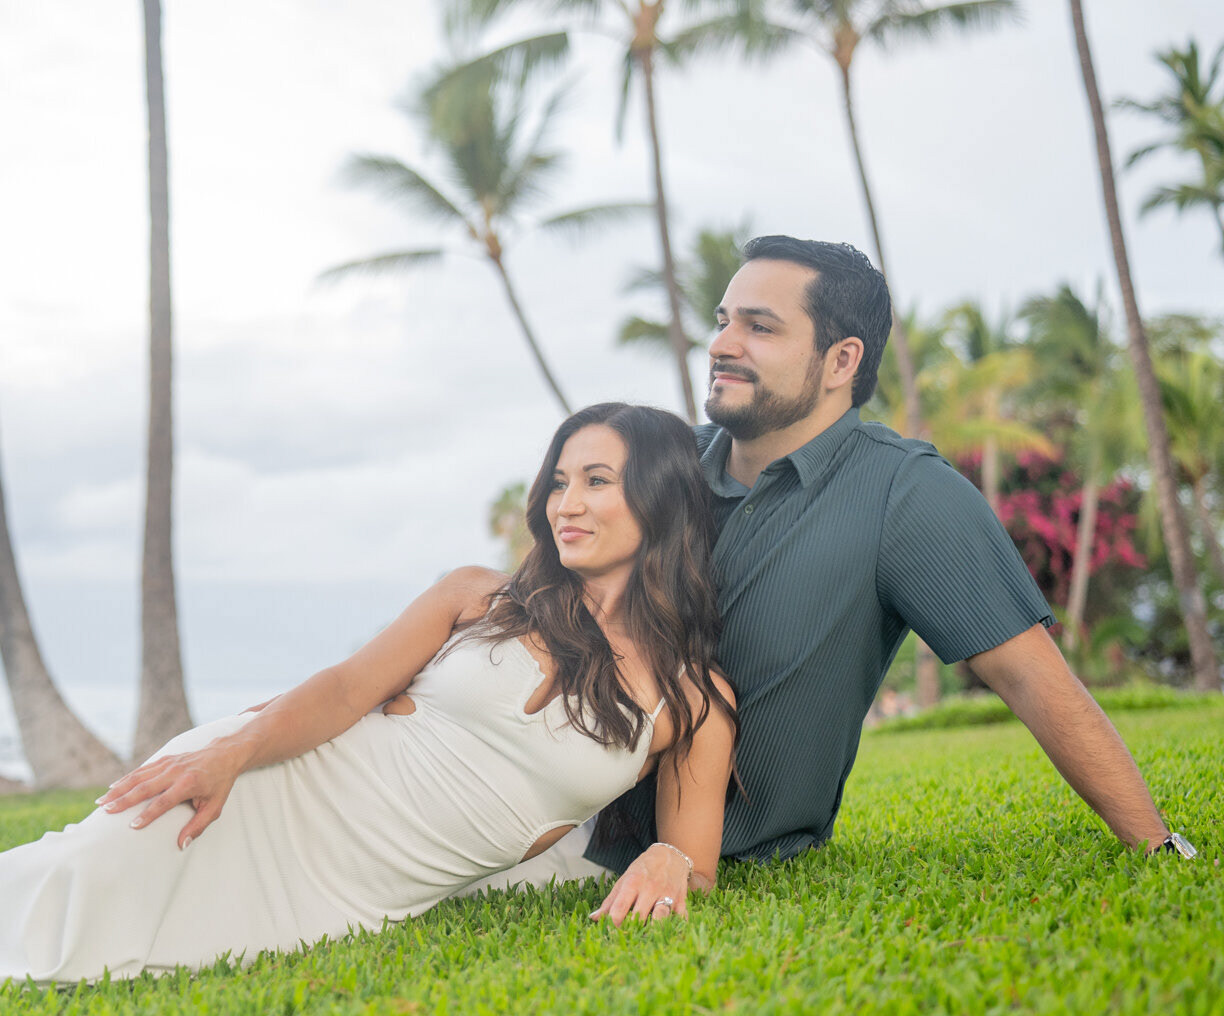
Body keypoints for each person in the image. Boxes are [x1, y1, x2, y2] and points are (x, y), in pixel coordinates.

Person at [0, 403, 739, 999]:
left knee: (153, 941)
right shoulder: (480, 594)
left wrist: (666, 857)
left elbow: (691, 864)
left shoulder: (695, 701)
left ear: (658, 500)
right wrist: (232, 751)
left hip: (371, 878)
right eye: (560, 480)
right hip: (297, 775)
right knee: (117, 852)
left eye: (597, 481)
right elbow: (344, 689)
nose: (564, 503)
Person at [475, 235, 1194, 910]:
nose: (721, 345)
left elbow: (1030, 675)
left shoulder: (904, 494)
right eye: (723, 321)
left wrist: (1158, 845)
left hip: (682, 860)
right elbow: (529, 619)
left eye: (759, 326)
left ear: (841, 361)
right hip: (511, 803)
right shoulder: (656, 469)